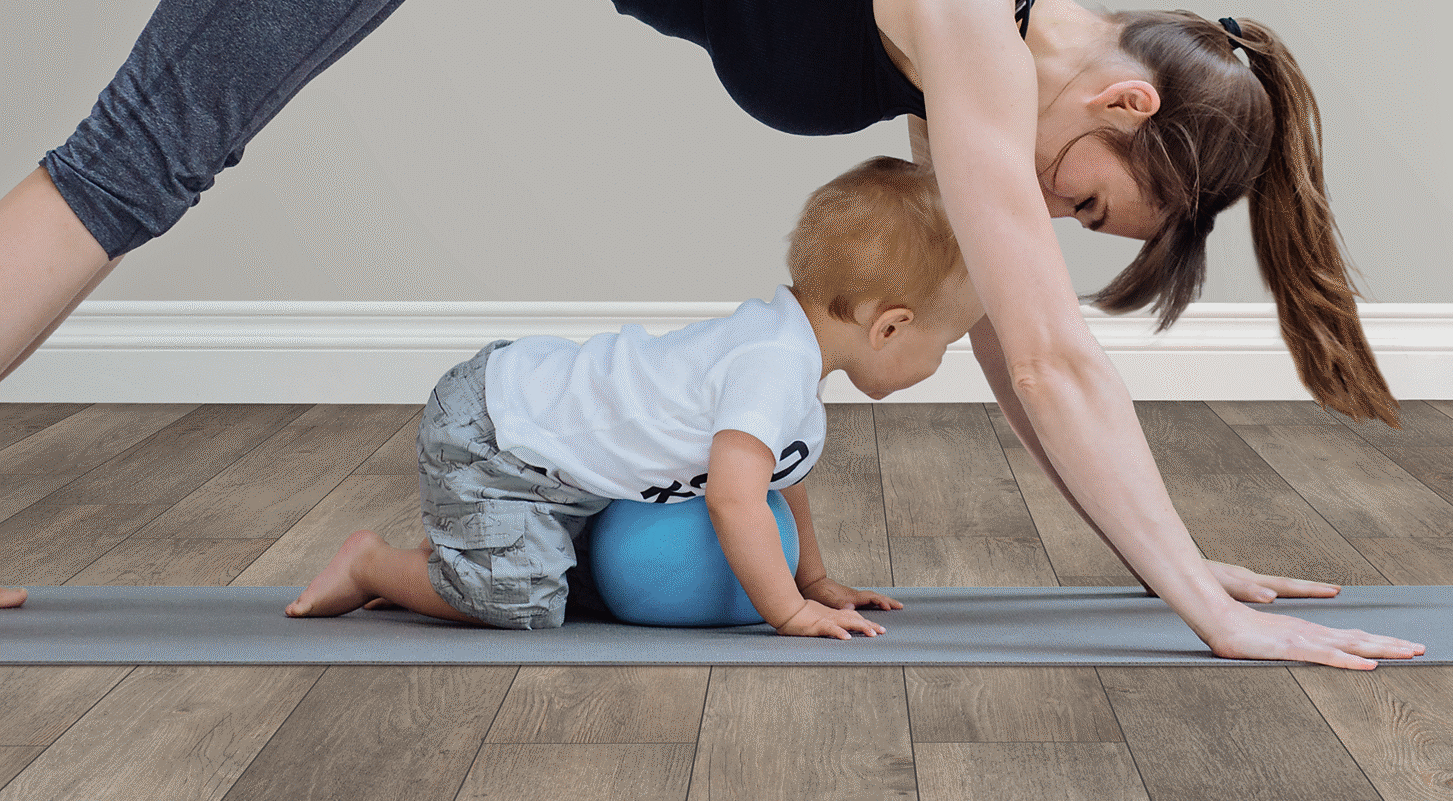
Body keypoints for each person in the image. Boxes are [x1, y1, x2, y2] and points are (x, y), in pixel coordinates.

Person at [0, 0, 1423, 668]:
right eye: (1086, 198)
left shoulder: (972, 38)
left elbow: (1002, 342)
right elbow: (1053, 353)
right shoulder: (967, 4)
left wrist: (1165, 561)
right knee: (145, 156)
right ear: (1117, 95)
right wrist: (1216, 621)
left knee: (151, 156)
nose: (1050, 219)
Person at [287, 157, 976, 637]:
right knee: (519, 600)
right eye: (946, 343)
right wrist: (788, 614)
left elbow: (780, 479)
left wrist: (814, 581)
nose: (942, 359)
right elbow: (735, 499)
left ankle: (462, 557)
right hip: (500, 438)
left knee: (544, 575)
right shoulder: (771, 365)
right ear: (889, 327)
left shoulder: (787, 357)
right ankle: (371, 561)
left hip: (547, 441)